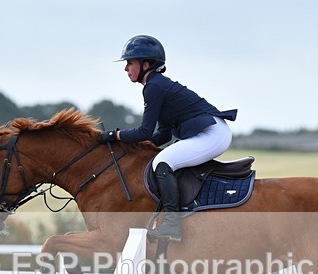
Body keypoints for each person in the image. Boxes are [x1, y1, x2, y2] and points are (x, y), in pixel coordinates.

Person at [98, 35, 237, 241]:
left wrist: (113, 135)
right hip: (211, 132)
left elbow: (144, 132)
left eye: (130, 63)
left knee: (162, 162)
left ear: (146, 64)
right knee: (163, 158)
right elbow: (163, 134)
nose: (125, 68)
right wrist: (135, 148)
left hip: (212, 134)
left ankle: (172, 223)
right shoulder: (156, 85)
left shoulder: (154, 87)